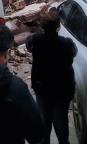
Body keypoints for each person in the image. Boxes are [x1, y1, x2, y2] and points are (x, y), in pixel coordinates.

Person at [26, 8, 77, 144]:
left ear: (43, 26)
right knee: (61, 126)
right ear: (58, 26)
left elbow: (28, 46)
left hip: (42, 89)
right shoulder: (67, 44)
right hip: (62, 92)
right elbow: (74, 53)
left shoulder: (35, 41)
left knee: (44, 124)